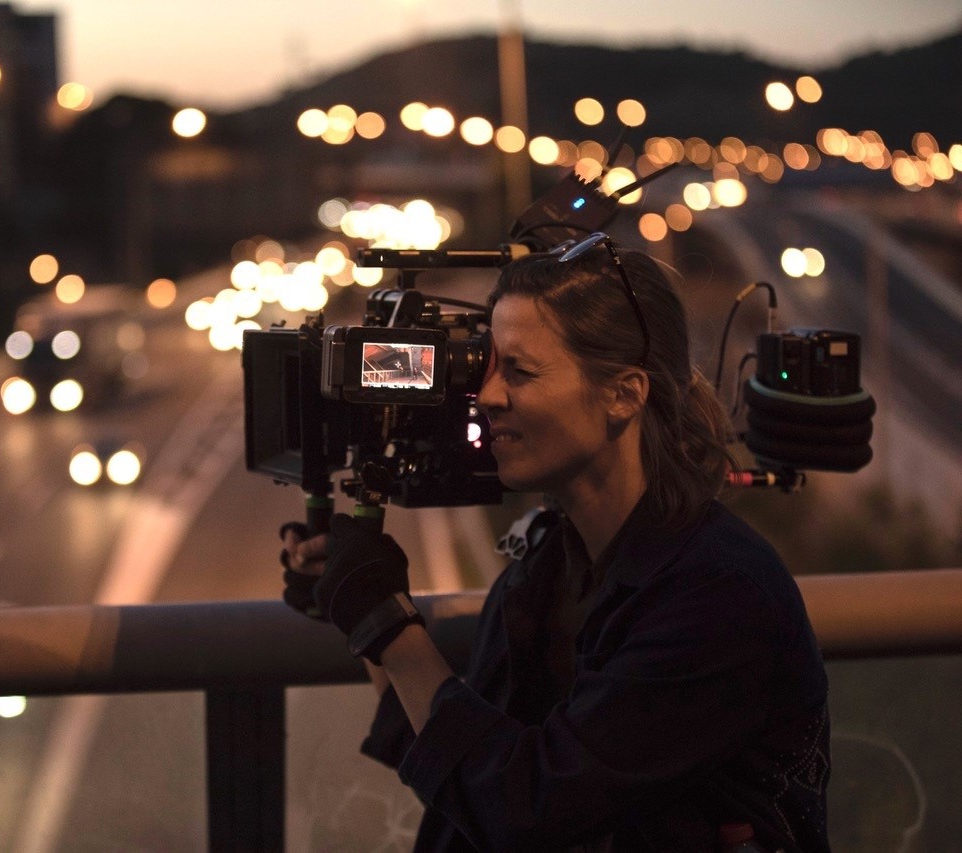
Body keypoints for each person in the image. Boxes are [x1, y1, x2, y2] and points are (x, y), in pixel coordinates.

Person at [279, 235, 831, 852]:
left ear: (624, 393)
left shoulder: (719, 596)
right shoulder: (552, 557)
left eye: (519, 370)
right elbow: (458, 760)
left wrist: (388, 623)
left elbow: (527, 806)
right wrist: (357, 604)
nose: (487, 396)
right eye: (489, 366)